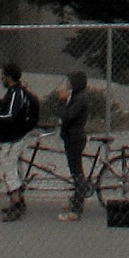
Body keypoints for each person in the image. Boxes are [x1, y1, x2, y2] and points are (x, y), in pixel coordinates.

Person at [0, 63, 42, 223]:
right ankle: (19, 200)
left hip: (13, 137)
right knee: (14, 168)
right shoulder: (14, 92)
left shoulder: (16, 93)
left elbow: (9, 116)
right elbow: (9, 107)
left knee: (9, 170)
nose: (1, 78)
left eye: (3, 76)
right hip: (15, 136)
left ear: (9, 77)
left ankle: (16, 205)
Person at [51, 68, 93, 219]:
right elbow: (62, 113)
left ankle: (76, 210)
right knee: (75, 171)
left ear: (75, 83)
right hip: (71, 137)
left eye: (70, 80)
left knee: (77, 173)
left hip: (75, 138)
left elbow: (67, 116)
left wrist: (62, 101)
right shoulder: (75, 96)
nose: (67, 83)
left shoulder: (79, 98)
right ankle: (76, 199)